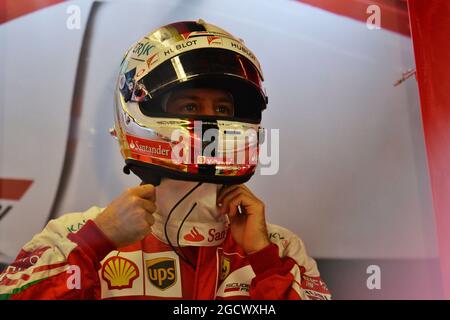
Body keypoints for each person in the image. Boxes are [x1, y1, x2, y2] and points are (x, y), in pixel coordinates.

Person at [0, 20, 331, 300]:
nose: (209, 122)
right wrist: (96, 242)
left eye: (222, 110)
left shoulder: (281, 249)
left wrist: (263, 259)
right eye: (190, 106)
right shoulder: (72, 238)